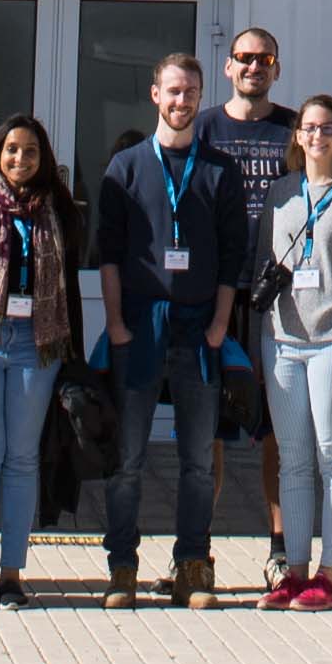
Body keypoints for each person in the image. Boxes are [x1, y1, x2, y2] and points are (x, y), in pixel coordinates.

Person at [88, 48, 244, 605]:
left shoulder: (219, 171)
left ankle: (192, 566)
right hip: (139, 327)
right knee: (127, 459)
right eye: (173, 91)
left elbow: (232, 258)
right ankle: (122, 567)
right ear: (156, 95)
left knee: (199, 462)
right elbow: (107, 255)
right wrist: (116, 324)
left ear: (202, 100)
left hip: (200, 329)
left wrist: (221, 325)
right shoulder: (126, 166)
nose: (182, 101)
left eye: (192, 93)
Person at [255, 94, 332, 608]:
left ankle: (329, 572)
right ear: (297, 136)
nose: (317, 137)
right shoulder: (281, 193)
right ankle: (295, 571)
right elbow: (262, 265)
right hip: (282, 340)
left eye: (327, 128)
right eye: (309, 128)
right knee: (292, 460)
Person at [0, 113, 82, 607]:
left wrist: (74, 362)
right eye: (11, 150)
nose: (20, 159)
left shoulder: (61, 210)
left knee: (22, 458)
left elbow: (69, 293)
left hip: (37, 342)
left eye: (29, 151)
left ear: (42, 157)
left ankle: (12, 575)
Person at [205, 28, 301, 545]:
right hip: (217, 291)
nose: (253, 67)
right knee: (210, 431)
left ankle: (281, 549)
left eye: (264, 58)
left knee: (278, 430)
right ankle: (197, 548)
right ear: (229, 66)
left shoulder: (294, 130)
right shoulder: (203, 129)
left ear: (276, 68)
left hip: (279, 297)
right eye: (244, 58)